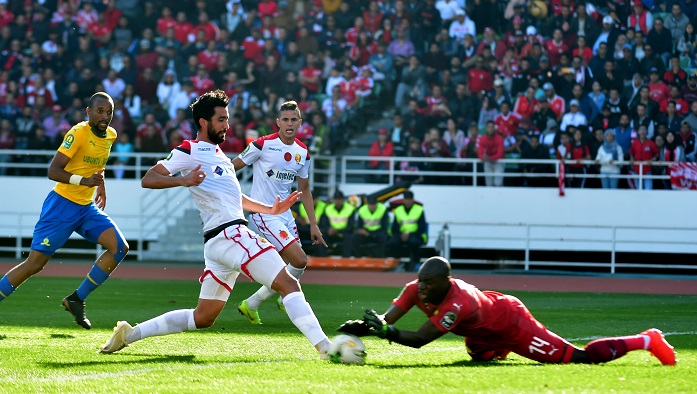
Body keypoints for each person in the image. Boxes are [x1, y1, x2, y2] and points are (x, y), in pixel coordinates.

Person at [98, 90, 332, 357]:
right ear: (203, 122)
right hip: (231, 235)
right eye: (221, 119)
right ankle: (327, 348)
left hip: (219, 243)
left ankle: (130, 334)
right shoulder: (189, 149)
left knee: (203, 317)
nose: (227, 125)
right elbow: (149, 177)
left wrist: (270, 208)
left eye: (227, 119)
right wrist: (183, 180)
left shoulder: (222, 157)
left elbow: (236, 198)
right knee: (288, 284)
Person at [337, 256, 676, 366]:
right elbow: (388, 320)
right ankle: (493, 349)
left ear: (445, 281)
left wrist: (383, 333)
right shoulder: (416, 288)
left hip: (512, 324)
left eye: (428, 283)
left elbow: (419, 340)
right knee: (480, 359)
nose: (420, 288)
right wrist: (369, 326)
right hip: (483, 331)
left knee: (580, 358)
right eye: (420, 282)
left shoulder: (459, 301)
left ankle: (647, 340)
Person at [0, 92, 129, 330]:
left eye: (109, 112)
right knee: (35, 264)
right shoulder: (78, 133)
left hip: (86, 207)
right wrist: (84, 182)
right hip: (62, 205)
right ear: (88, 112)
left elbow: (98, 165)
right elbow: (54, 171)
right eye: (100, 111)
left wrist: (101, 186)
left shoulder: (111, 135)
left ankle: (76, 299)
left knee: (119, 247)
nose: (105, 116)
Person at [234, 100, 327, 325]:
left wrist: (313, 224)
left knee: (295, 266)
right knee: (300, 259)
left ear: (300, 123)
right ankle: (285, 299)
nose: (289, 123)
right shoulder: (261, 145)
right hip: (264, 212)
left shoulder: (302, 152)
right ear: (278, 122)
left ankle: (252, 304)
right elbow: (231, 167)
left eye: (293, 119)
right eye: (285, 119)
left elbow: (304, 189)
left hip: (285, 215)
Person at [388, 191, 427, 272]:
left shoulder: (419, 210)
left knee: (413, 243)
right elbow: (395, 227)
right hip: (401, 235)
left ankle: (415, 263)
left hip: (416, 235)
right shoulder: (398, 210)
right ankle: (397, 263)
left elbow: (422, 227)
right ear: (403, 200)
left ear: (413, 200)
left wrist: (410, 234)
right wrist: (400, 235)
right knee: (392, 243)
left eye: (409, 199)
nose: (408, 201)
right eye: (406, 199)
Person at [315, 190, 355, 257]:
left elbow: (351, 226)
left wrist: (338, 231)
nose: (337, 201)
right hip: (331, 233)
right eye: (336, 199)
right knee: (321, 235)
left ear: (343, 200)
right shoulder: (328, 209)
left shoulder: (350, 209)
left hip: (344, 232)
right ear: (333, 200)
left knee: (349, 237)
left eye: (339, 199)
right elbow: (323, 224)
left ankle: (346, 259)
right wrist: (328, 229)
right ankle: (322, 258)